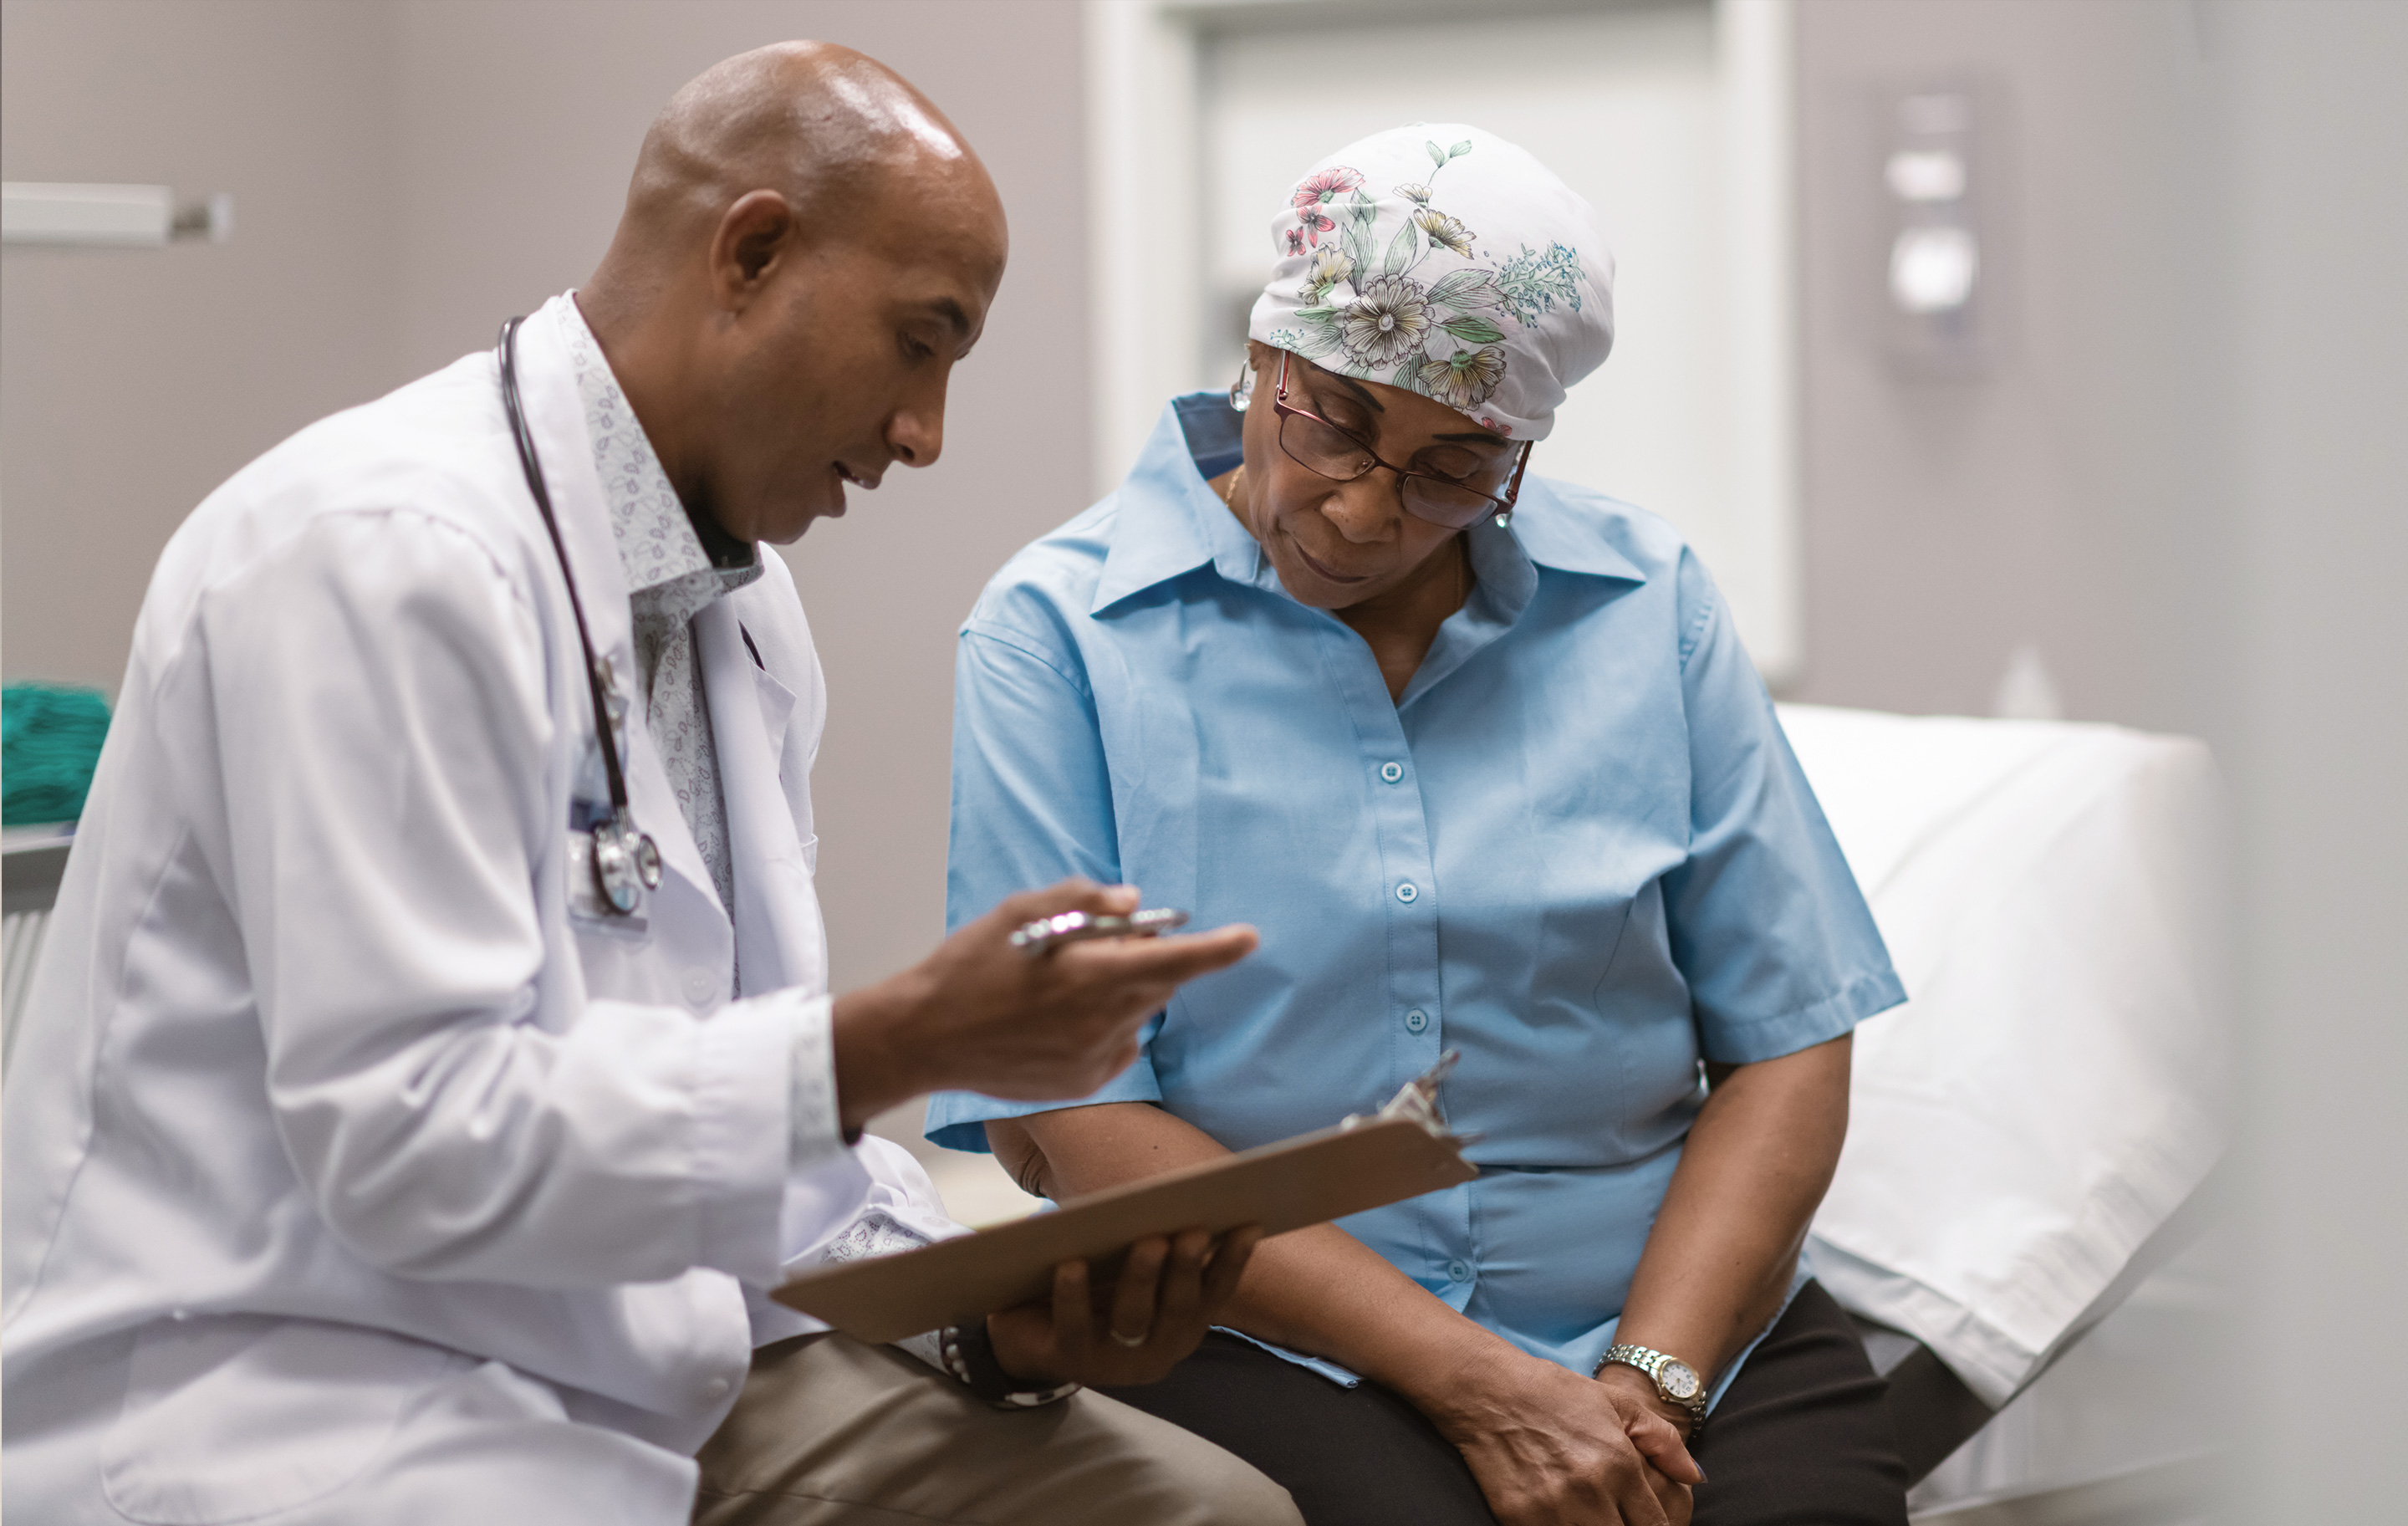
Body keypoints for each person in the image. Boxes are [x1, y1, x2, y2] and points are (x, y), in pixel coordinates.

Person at [0, 43, 1303, 1526]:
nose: (924, 434)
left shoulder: (739, 609)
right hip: (294, 1388)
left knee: (1210, 1514)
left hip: (656, 1361)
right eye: (919, 342)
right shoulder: (379, 553)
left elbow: (721, 1101)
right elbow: (412, 1143)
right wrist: (891, 1038)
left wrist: (984, 1319)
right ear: (751, 250)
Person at [929, 125, 1916, 1526]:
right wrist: (1482, 1386)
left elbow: (1790, 1041)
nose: (1362, 505)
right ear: (1264, 353)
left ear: (1519, 449)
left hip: (1666, 1319)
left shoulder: (1647, 606)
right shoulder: (1060, 636)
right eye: (1330, 417)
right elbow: (1081, 1116)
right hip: (1260, 1325)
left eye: (1452, 467)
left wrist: (1650, 1381)